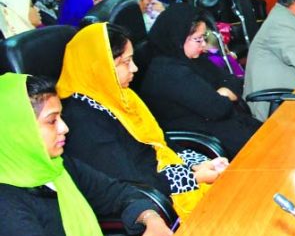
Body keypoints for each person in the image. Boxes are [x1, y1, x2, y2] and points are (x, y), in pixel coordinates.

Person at [59, 23, 223, 219]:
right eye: (126, 62)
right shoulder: (82, 121)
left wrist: (199, 163)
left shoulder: (120, 95)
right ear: (101, 67)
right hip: (153, 200)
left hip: (167, 177)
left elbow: (159, 142)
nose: (134, 68)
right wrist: (193, 178)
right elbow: (129, 181)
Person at [0, 74, 173, 236]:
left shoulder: (57, 167)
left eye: (61, 117)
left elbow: (118, 194)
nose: (64, 128)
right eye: (52, 121)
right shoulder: (7, 207)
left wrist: (151, 218)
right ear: (17, 132)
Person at [140, 4, 261, 158]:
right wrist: (223, 96)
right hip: (206, 139)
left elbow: (232, 80)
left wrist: (220, 94)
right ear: (177, 38)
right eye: (198, 39)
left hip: (224, 126)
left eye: (204, 38)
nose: (204, 45)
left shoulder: (192, 58)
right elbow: (219, 108)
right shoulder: (169, 72)